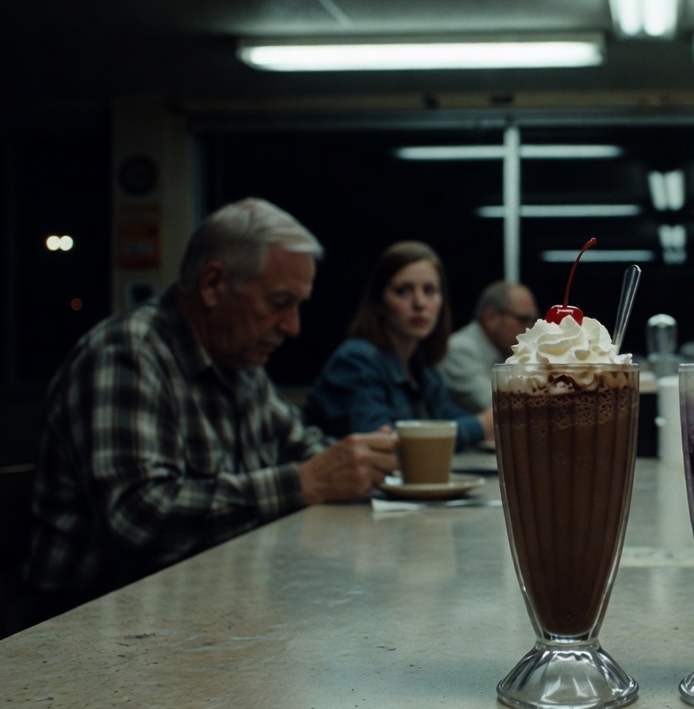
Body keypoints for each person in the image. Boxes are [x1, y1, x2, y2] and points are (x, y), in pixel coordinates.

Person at [27, 198, 399, 611]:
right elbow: (139, 518)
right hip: (94, 625)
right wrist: (305, 482)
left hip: (200, 601)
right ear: (212, 285)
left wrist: (366, 461)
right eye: (280, 303)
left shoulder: (239, 363)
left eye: (299, 306)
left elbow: (305, 449)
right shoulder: (127, 353)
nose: (293, 327)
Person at [303, 241, 490, 448]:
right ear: (379, 302)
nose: (419, 303)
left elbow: (449, 419)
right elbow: (384, 445)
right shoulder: (356, 361)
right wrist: (482, 425)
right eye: (403, 291)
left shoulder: (424, 369)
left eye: (429, 290)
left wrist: (486, 423)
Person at [439, 280, 539, 412]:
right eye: (524, 320)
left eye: (534, 321)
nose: (531, 329)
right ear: (491, 318)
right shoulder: (459, 350)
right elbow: (504, 407)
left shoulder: (504, 350)